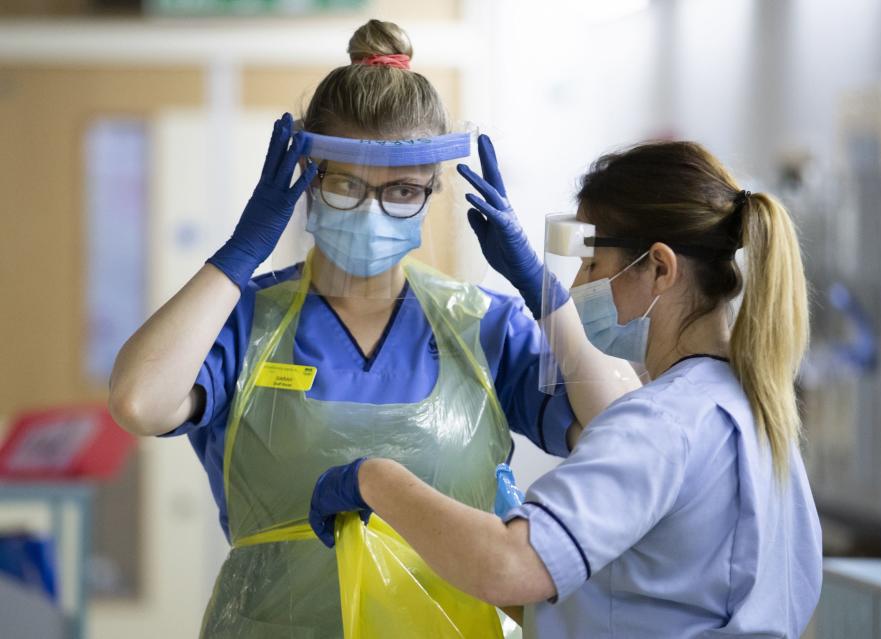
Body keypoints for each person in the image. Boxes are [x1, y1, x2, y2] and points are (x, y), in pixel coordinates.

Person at [108, 20, 629, 637]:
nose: (373, 209)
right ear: (306, 178)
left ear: (433, 191)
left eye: (402, 190)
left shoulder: (483, 326)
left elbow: (624, 434)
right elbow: (139, 401)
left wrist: (542, 291)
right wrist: (242, 250)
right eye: (346, 183)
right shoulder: (247, 321)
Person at [311, 139, 824, 638]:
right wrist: (450, 536)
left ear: (660, 269)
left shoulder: (661, 422)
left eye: (593, 265)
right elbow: (628, 600)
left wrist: (375, 480)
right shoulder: (753, 410)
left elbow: (512, 567)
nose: (578, 288)